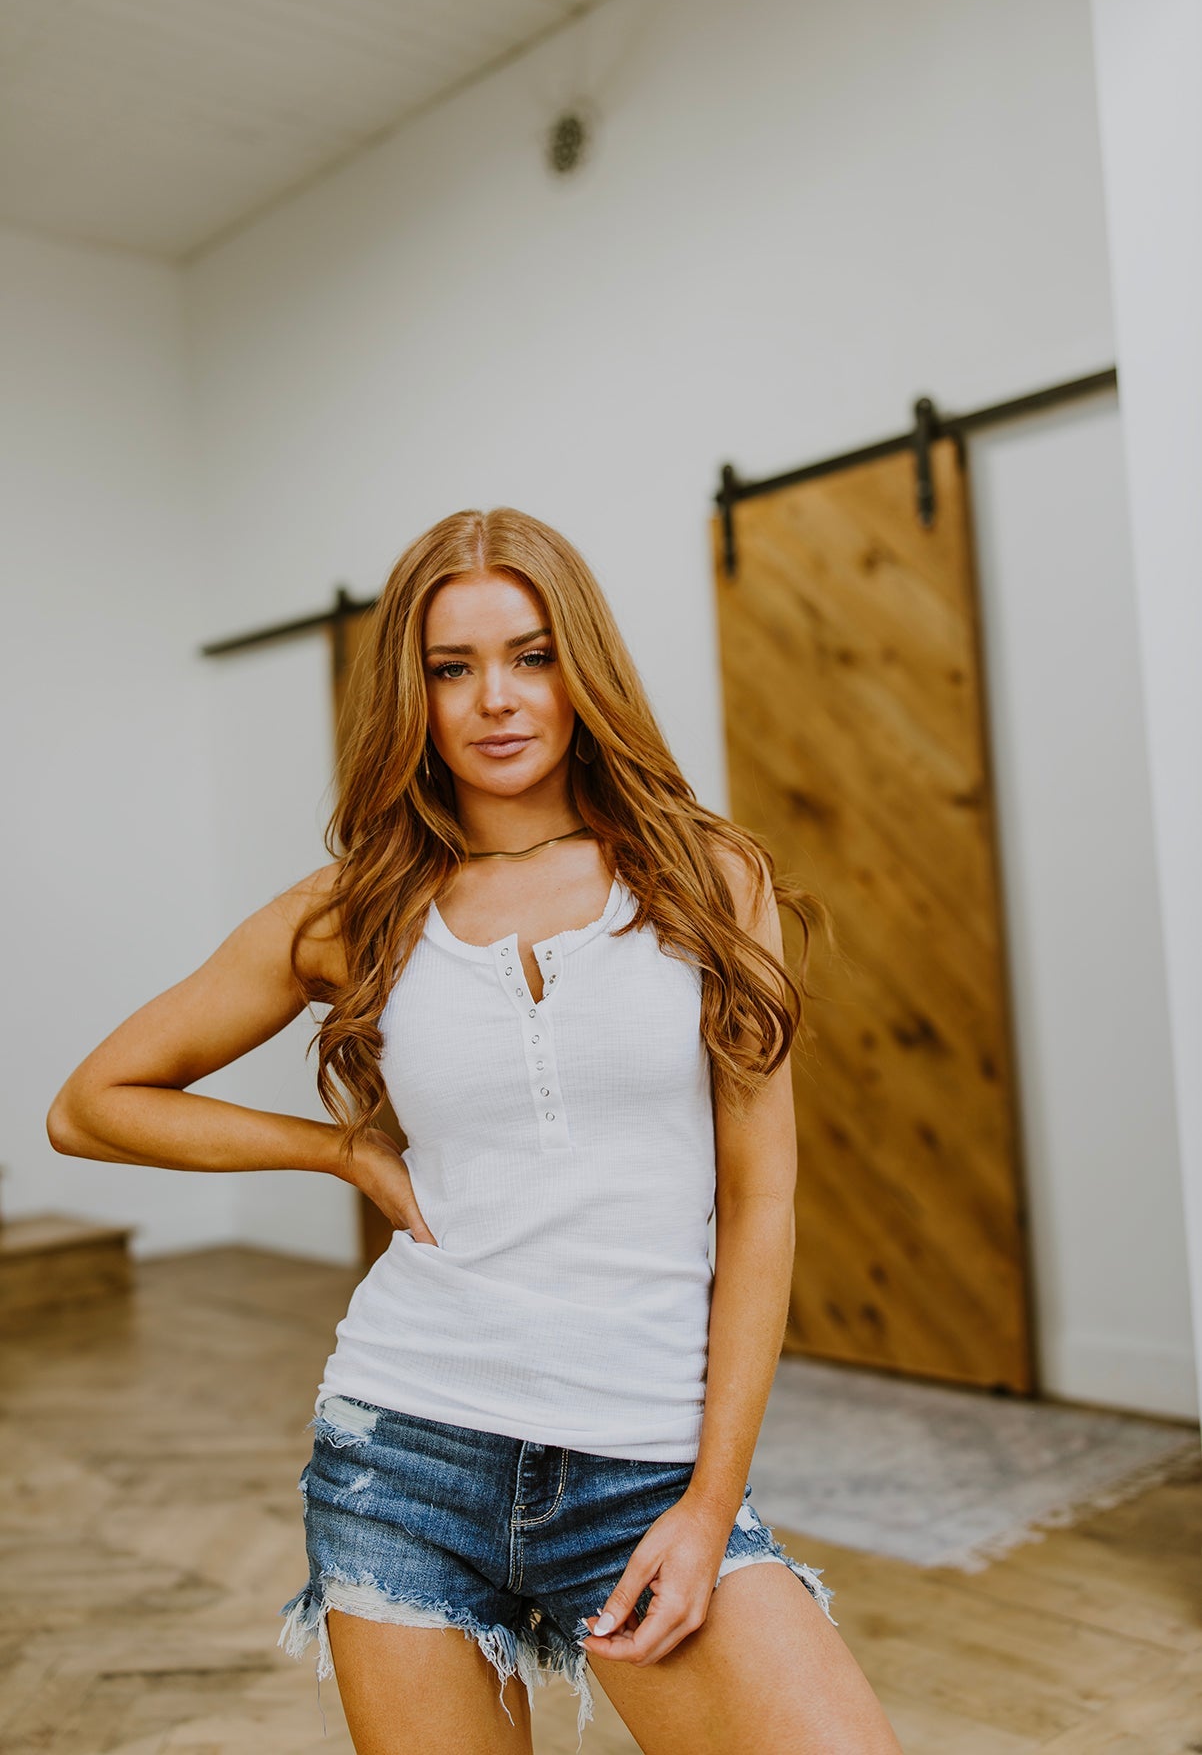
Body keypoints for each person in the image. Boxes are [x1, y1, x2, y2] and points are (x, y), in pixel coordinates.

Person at [47, 507, 904, 1755]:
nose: (494, 700)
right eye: (452, 668)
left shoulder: (705, 882)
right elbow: (91, 1104)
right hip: (405, 1456)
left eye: (530, 656)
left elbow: (761, 1200)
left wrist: (710, 1501)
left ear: (582, 673)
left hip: (643, 1463)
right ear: (414, 693)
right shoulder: (355, 913)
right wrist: (336, 1149)